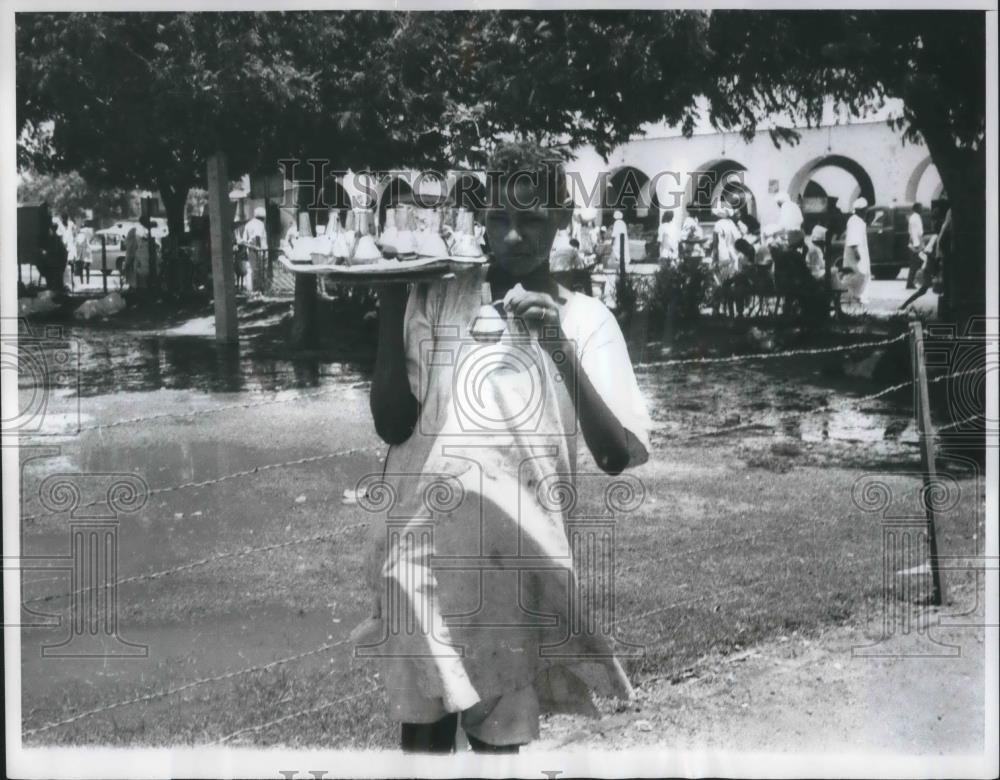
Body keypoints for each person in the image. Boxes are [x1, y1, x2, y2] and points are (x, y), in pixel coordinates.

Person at [359, 142, 650, 755]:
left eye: (533, 219)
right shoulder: (439, 297)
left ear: (563, 219)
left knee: (499, 740)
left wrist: (555, 343)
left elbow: (616, 452)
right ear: (480, 216)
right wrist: (389, 297)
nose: (512, 235)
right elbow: (392, 422)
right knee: (423, 733)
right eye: (497, 216)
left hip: (514, 561)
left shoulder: (586, 319)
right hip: (424, 553)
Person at [842, 197, 871, 304]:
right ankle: (851, 297)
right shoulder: (855, 221)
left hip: (860, 253)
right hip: (855, 255)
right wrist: (857, 253)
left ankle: (857, 297)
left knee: (861, 276)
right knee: (855, 276)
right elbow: (853, 240)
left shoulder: (858, 221)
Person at [123, 216, 154, 290]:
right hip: (145, 267)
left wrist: (127, 264)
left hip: (139, 267)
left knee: (137, 285)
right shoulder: (144, 232)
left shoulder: (135, 231)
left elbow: (130, 251)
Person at [905, 202, 925, 289]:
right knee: (914, 264)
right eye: (921, 208)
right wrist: (917, 245)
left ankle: (912, 282)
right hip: (915, 243)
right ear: (917, 208)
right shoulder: (915, 218)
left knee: (916, 264)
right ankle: (910, 283)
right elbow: (914, 232)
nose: (922, 209)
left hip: (917, 241)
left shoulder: (916, 217)